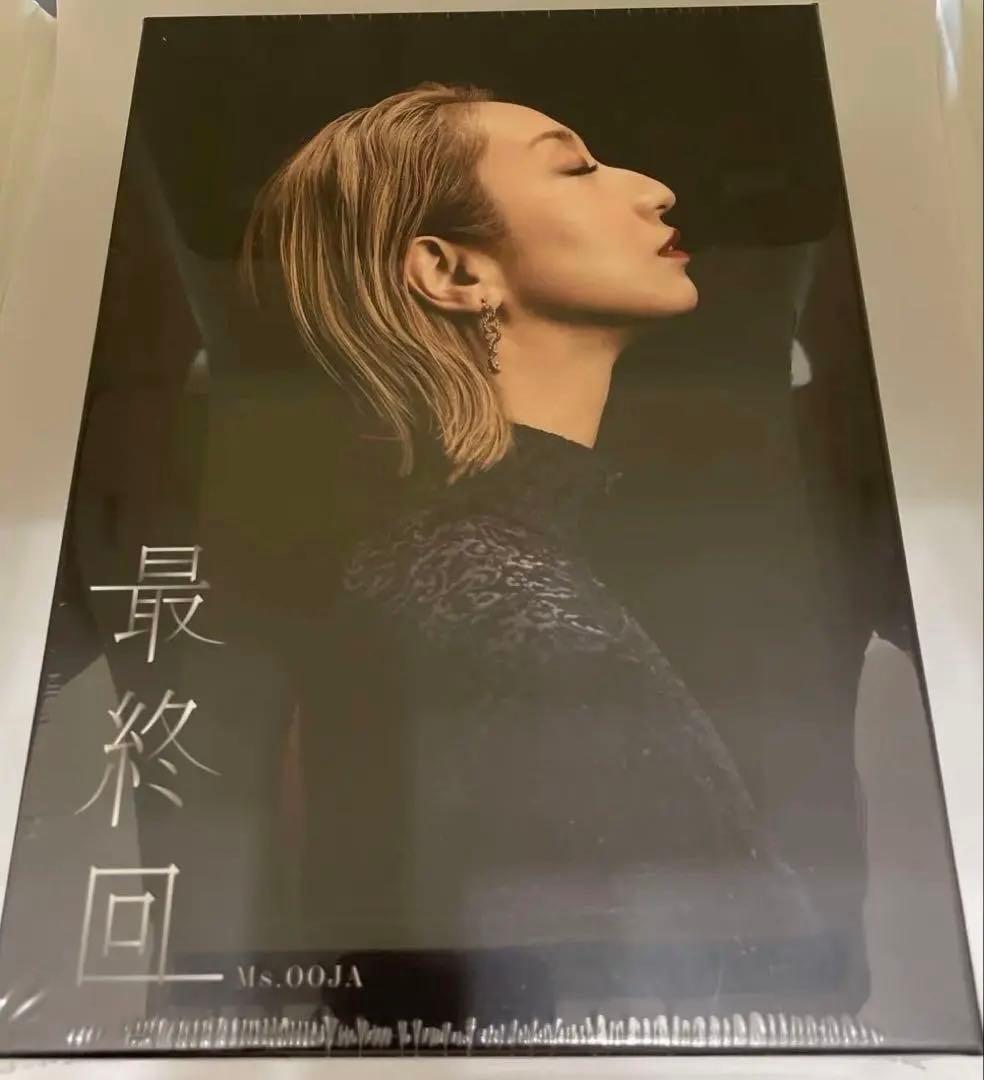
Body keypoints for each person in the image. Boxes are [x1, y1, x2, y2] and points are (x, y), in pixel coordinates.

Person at [242, 83, 844, 1027]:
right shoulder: (509, 613)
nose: (654, 190)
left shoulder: (450, 572)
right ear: (450, 271)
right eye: (576, 168)